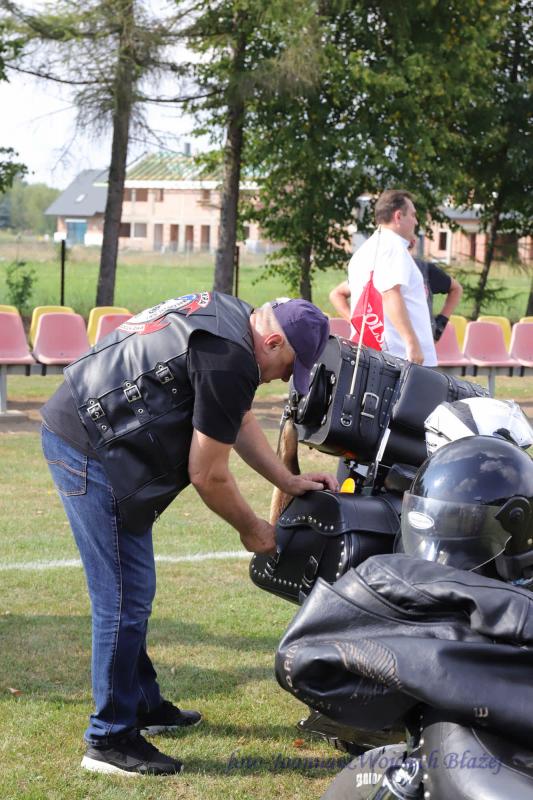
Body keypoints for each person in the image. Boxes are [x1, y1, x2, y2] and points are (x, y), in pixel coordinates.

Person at [41, 291, 337, 777]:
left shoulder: (232, 317)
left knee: (131, 591)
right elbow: (208, 474)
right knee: (124, 597)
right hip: (89, 446)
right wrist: (252, 529)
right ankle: (109, 739)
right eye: (289, 367)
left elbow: (236, 417)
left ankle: (142, 705)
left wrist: (286, 481)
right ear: (273, 341)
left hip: (86, 423)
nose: (285, 378)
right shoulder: (231, 357)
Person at [329, 189, 437, 366]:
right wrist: (411, 342)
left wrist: (361, 326)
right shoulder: (394, 247)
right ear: (398, 216)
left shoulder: (364, 252)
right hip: (401, 355)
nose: (416, 221)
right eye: (413, 215)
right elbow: (389, 293)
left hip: (379, 355)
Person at [408, 239, 463, 342]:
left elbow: (456, 289)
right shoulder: (379, 269)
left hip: (422, 341)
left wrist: (440, 326)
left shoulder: (424, 269)